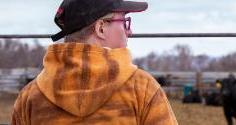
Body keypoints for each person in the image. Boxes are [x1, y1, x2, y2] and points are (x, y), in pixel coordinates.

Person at [11, 0, 178, 124]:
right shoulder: (142, 89)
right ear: (101, 28)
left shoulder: (30, 97)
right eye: (125, 22)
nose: (130, 31)